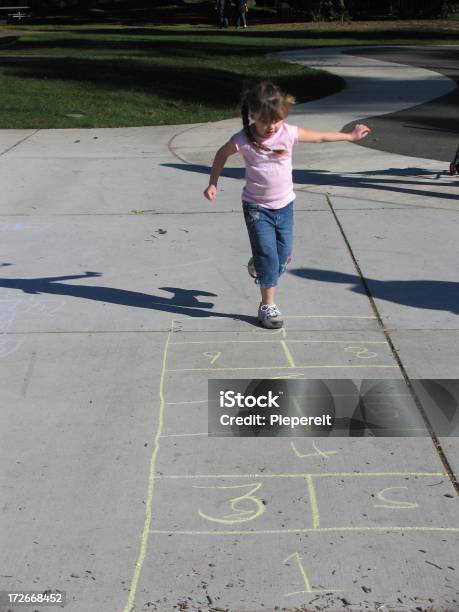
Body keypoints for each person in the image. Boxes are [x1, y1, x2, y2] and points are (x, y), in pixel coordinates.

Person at [203, 81, 370, 329]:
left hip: (284, 206)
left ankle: (260, 264)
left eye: (276, 121)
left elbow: (321, 137)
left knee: (282, 256)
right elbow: (221, 154)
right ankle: (267, 305)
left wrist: (349, 135)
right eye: (264, 122)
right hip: (256, 207)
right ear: (252, 115)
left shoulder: (288, 133)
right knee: (269, 256)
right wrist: (213, 183)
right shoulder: (242, 140)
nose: (271, 127)